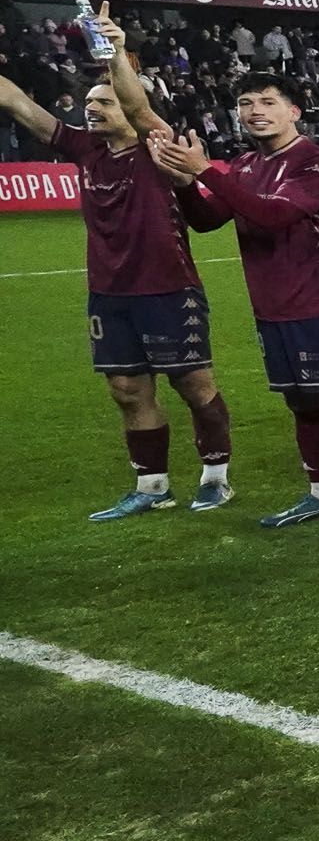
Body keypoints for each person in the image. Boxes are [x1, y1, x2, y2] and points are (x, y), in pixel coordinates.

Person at [120, 58, 319, 534]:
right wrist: (185, 184)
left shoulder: (316, 161)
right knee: (301, 401)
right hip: (271, 306)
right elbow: (208, 219)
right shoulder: (247, 164)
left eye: (268, 102)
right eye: (246, 103)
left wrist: (205, 172)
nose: (255, 111)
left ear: (294, 111)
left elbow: (275, 215)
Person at [0, 50, 233, 520]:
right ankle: (152, 486)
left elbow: (139, 105)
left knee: (192, 383)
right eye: (88, 100)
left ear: (127, 109)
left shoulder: (158, 148)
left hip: (168, 288)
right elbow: (19, 104)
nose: (91, 108)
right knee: (126, 388)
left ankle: (216, 479)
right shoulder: (86, 150)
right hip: (109, 294)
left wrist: (115, 54)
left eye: (103, 102)